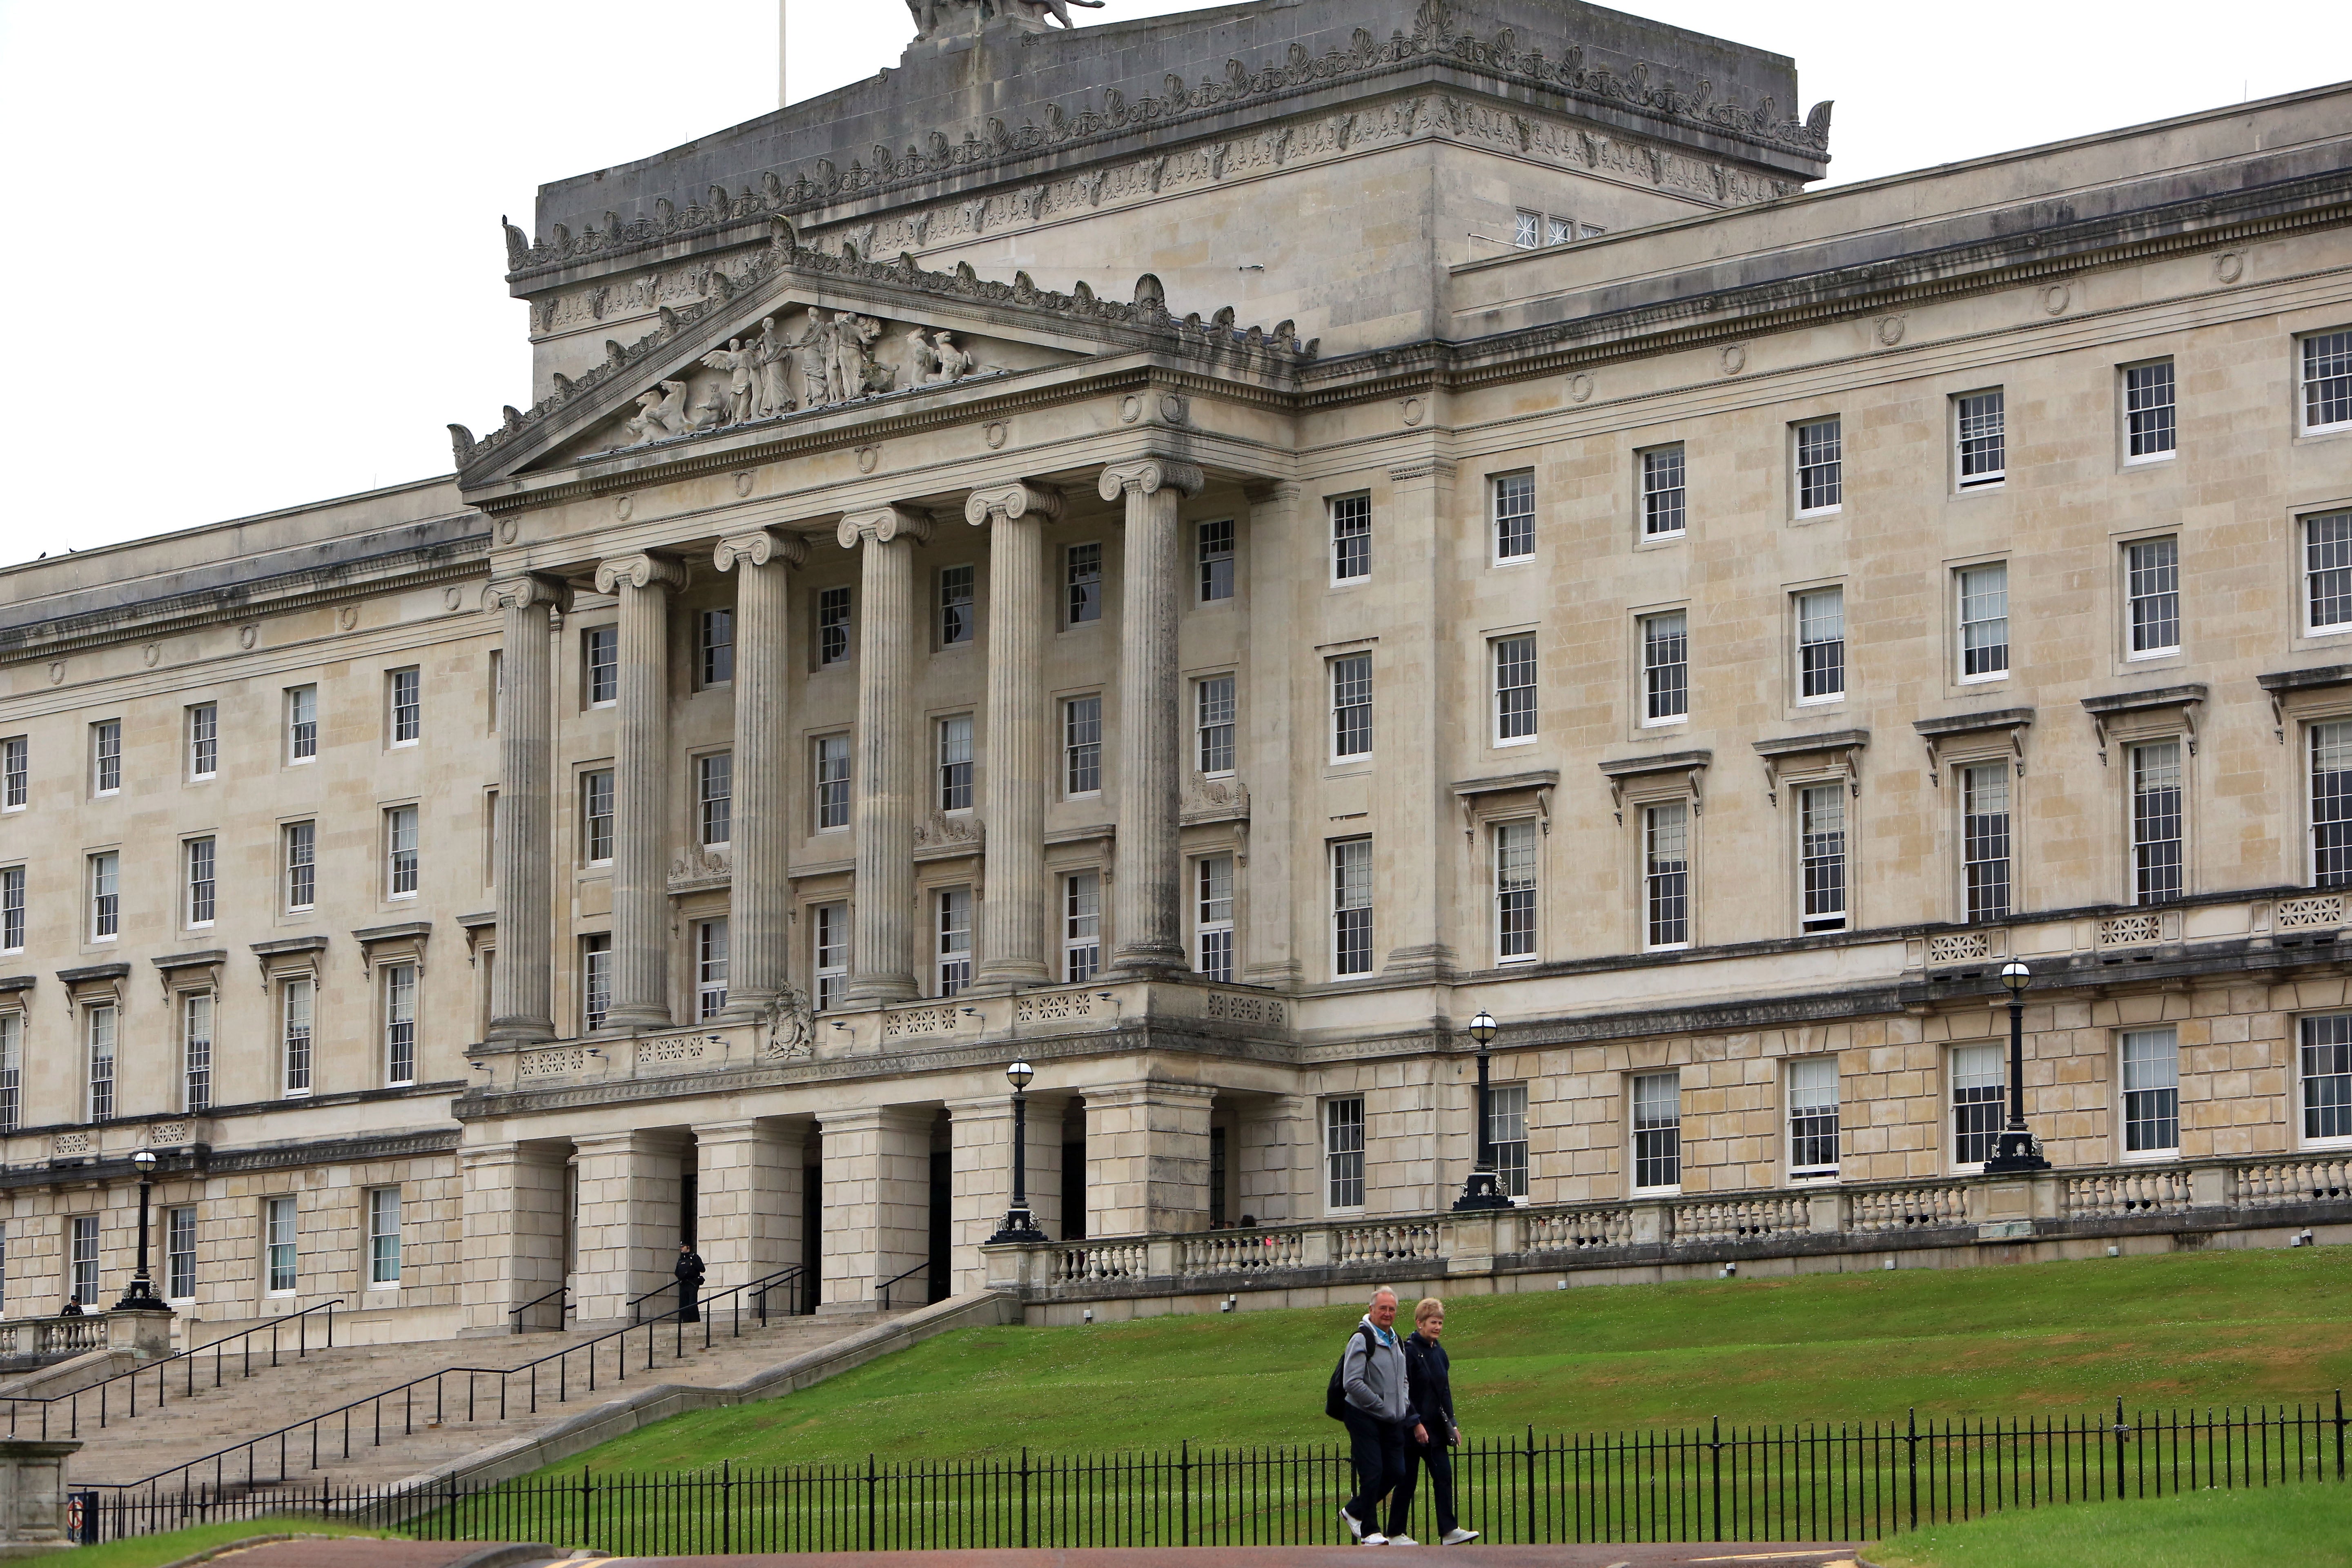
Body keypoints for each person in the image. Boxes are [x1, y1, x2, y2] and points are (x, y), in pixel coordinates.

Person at [1337, 1286, 1424, 1546]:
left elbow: (1404, 1378)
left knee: (1397, 1472)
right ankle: (1369, 1530)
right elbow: (1351, 1382)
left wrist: (1402, 1402)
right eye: (1383, 1309)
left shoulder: (1396, 1339)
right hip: (1363, 1415)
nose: (1388, 1313)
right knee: (1372, 1471)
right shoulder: (1362, 1338)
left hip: (1392, 1418)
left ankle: (1353, 1511)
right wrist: (1379, 1405)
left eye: (1392, 1309)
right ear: (1371, 1310)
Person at [1403, 1297, 1479, 1545]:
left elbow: (1444, 1392)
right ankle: (1395, 1532)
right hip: (1413, 1429)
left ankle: (1448, 1530)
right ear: (1419, 1323)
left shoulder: (1440, 1353)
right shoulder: (1409, 1352)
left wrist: (1453, 1424)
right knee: (1407, 1482)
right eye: (1433, 1322)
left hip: (1435, 1428)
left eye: (1440, 1322)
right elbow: (1404, 1392)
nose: (1437, 1327)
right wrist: (1415, 1423)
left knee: (1444, 1475)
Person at [674, 1241, 706, 1324]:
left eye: (683, 1246)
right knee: (683, 1305)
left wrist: (693, 1264)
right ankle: (686, 1321)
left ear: (688, 1247)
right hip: (683, 1284)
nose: (681, 1248)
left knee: (692, 1304)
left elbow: (702, 1269)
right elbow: (677, 1272)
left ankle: (695, 1321)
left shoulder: (694, 1257)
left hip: (692, 1283)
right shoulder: (681, 1259)